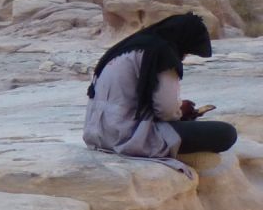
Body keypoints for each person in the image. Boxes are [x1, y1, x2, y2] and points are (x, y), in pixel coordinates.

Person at [84, 12, 237, 160]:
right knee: (227, 133)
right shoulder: (161, 53)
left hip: (98, 135)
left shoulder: (126, 48)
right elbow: (166, 111)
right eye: (187, 52)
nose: (184, 56)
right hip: (129, 138)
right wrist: (181, 111)